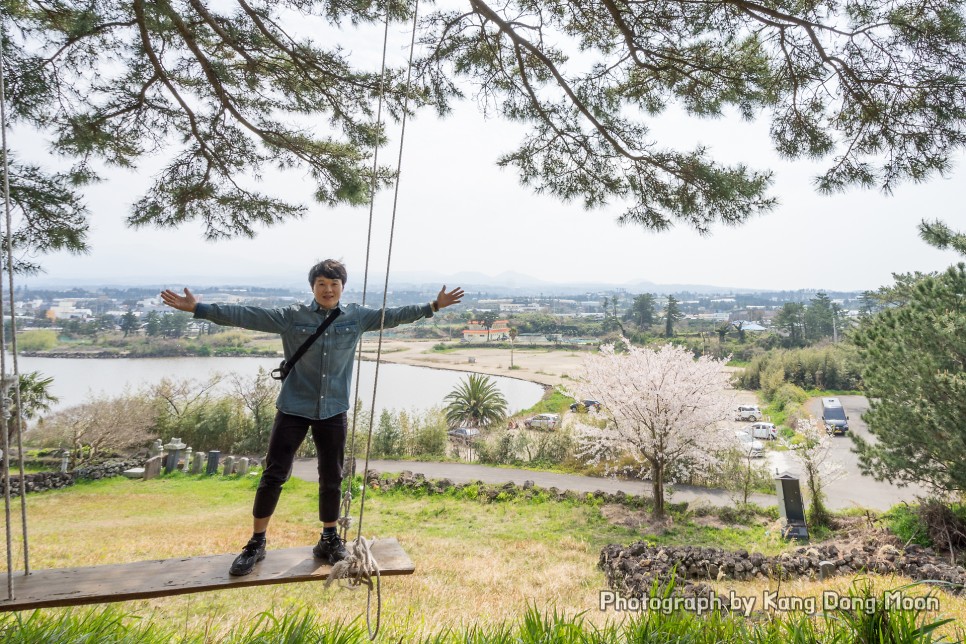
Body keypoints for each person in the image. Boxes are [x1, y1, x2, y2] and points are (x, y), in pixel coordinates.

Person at [161, 259, 464, 576]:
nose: (328, 289)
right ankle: (256, 543)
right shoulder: (292, 317)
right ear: (313, 287)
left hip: (333, 409)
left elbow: (396, 316)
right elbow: (247, 316)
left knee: (332, 477)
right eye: (322, 284)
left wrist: (433, 305)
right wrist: (199, 308)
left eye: (334, 284)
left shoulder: (357, 317)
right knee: (274, 474)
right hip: (293, 407)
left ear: (342, 287)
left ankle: (329, 539)